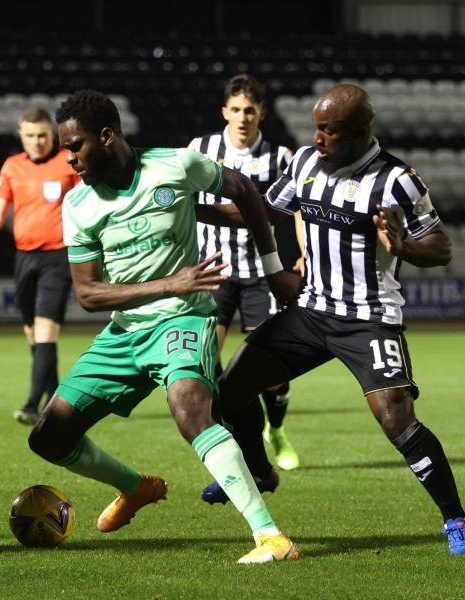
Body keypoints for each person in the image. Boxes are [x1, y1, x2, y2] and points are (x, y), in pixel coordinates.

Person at [27, 90, 303, 564]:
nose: (68, 158)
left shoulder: (176, 165)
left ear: (107, 136)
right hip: (125, 331)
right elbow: (89, 294)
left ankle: (270, 537)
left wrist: (273, 266)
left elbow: (243, 192)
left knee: (190, 407)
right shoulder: (78, 206)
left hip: (185, 318)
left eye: (75, 146)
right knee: (48, 436)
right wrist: (168, 282)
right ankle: (135, 489)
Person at [217, 84, 465, 555]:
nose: (319, 139)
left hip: (369, 318)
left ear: (360, 132)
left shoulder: (398, 179)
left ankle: (457, 519)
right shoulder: (301, 163)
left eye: (330, 131)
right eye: (317, 128)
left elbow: (440, 246)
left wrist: (403, 247)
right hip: (311, 310)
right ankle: (259, 470)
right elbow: (260, 211)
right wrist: (187, 209)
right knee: (231, 391)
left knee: (397, 421)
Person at [190, 74, 302, 484]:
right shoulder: (199, 150)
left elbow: (301, 208)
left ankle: (277, 430)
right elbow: (183, 199)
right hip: (212, 272)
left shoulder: (281, 156)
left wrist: (304, 251)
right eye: (235, 109)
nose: (242, 117)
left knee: (271, 371)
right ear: (224, 111)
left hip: (260, 274)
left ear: (262, 114)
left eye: (249, 110)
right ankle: (236, 448)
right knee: (208, 364)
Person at [0, 107, 81, 425]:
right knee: (33, 334)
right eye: (30, 136)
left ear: (52, 135)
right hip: (25, 257)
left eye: (42, 136)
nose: (37, 142)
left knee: (46, 330)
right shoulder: (12, 167)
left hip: (58, 256)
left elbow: (88, 203)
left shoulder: (68, 162)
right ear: (21, 136)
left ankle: (33, 405)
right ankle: (55, 402)